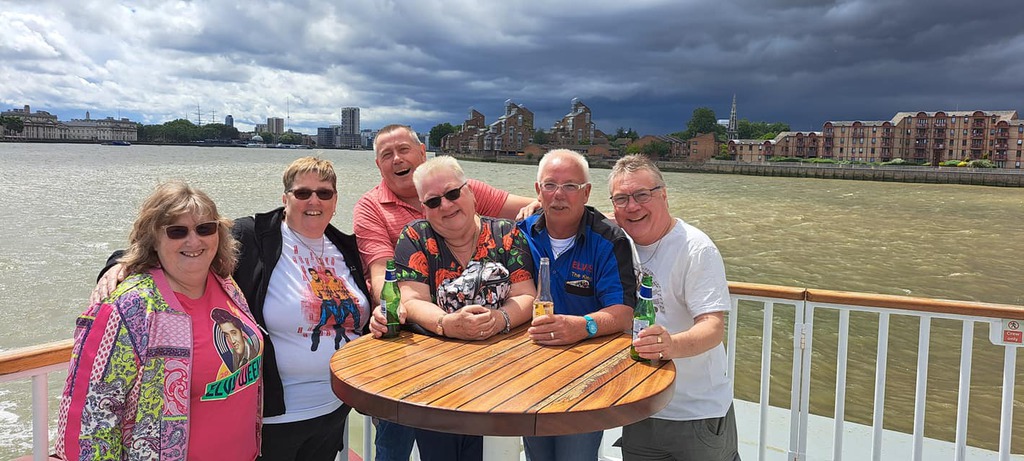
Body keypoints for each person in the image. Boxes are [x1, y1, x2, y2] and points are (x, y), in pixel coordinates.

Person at [92, 157, 371, 461]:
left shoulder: (346, 248)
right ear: (285, 198)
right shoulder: (254, 237)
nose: (314, 201)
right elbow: (192, 242)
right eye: (303, 193)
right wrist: (119, 264)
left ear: (335, 201)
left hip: (333, 407)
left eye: (324, 193)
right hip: (275, 418)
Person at [353, 124, 538, 460]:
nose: (446, 205)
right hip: (426, 368)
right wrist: (419, 316)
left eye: (453, 195)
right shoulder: (406, 230)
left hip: (498, 372)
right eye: (434, 201)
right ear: (424, 208)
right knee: (398, 444)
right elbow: (392, 285)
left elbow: (527, 290)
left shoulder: (506, 232)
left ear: (472, 193)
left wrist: (500, 319)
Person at [57, 180, 264, 460]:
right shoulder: (129, 307)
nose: (194, 241)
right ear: (153, 238)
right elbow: (89, 421)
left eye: (205, 228)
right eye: (177, 231)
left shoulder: (225, 284)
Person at [608, 154, 739, 461]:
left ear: (664, 195)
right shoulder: (618, 241)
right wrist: (536, 206)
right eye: (622, 198)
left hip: (695, 413)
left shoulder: (695, 248)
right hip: (639, 406)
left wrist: (670, 346)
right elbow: (577, 213)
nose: (633, 206)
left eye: (642, 195)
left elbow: (713, 327)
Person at [516, 149, 637, 461]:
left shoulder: (609, 240)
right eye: (550, 185)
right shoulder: (519, 235)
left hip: (586, 375)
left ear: (586, 193)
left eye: (570, 186)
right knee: (537, 456)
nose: (559, 195)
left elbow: (624, 313)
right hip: (530, 370)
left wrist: (583, 326)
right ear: (538, 190)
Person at [213, 307, 261, 372]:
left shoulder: (252, 355)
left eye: (234, 333)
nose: (232, 341)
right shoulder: (235, 355)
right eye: (227, 335)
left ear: (241, 332)